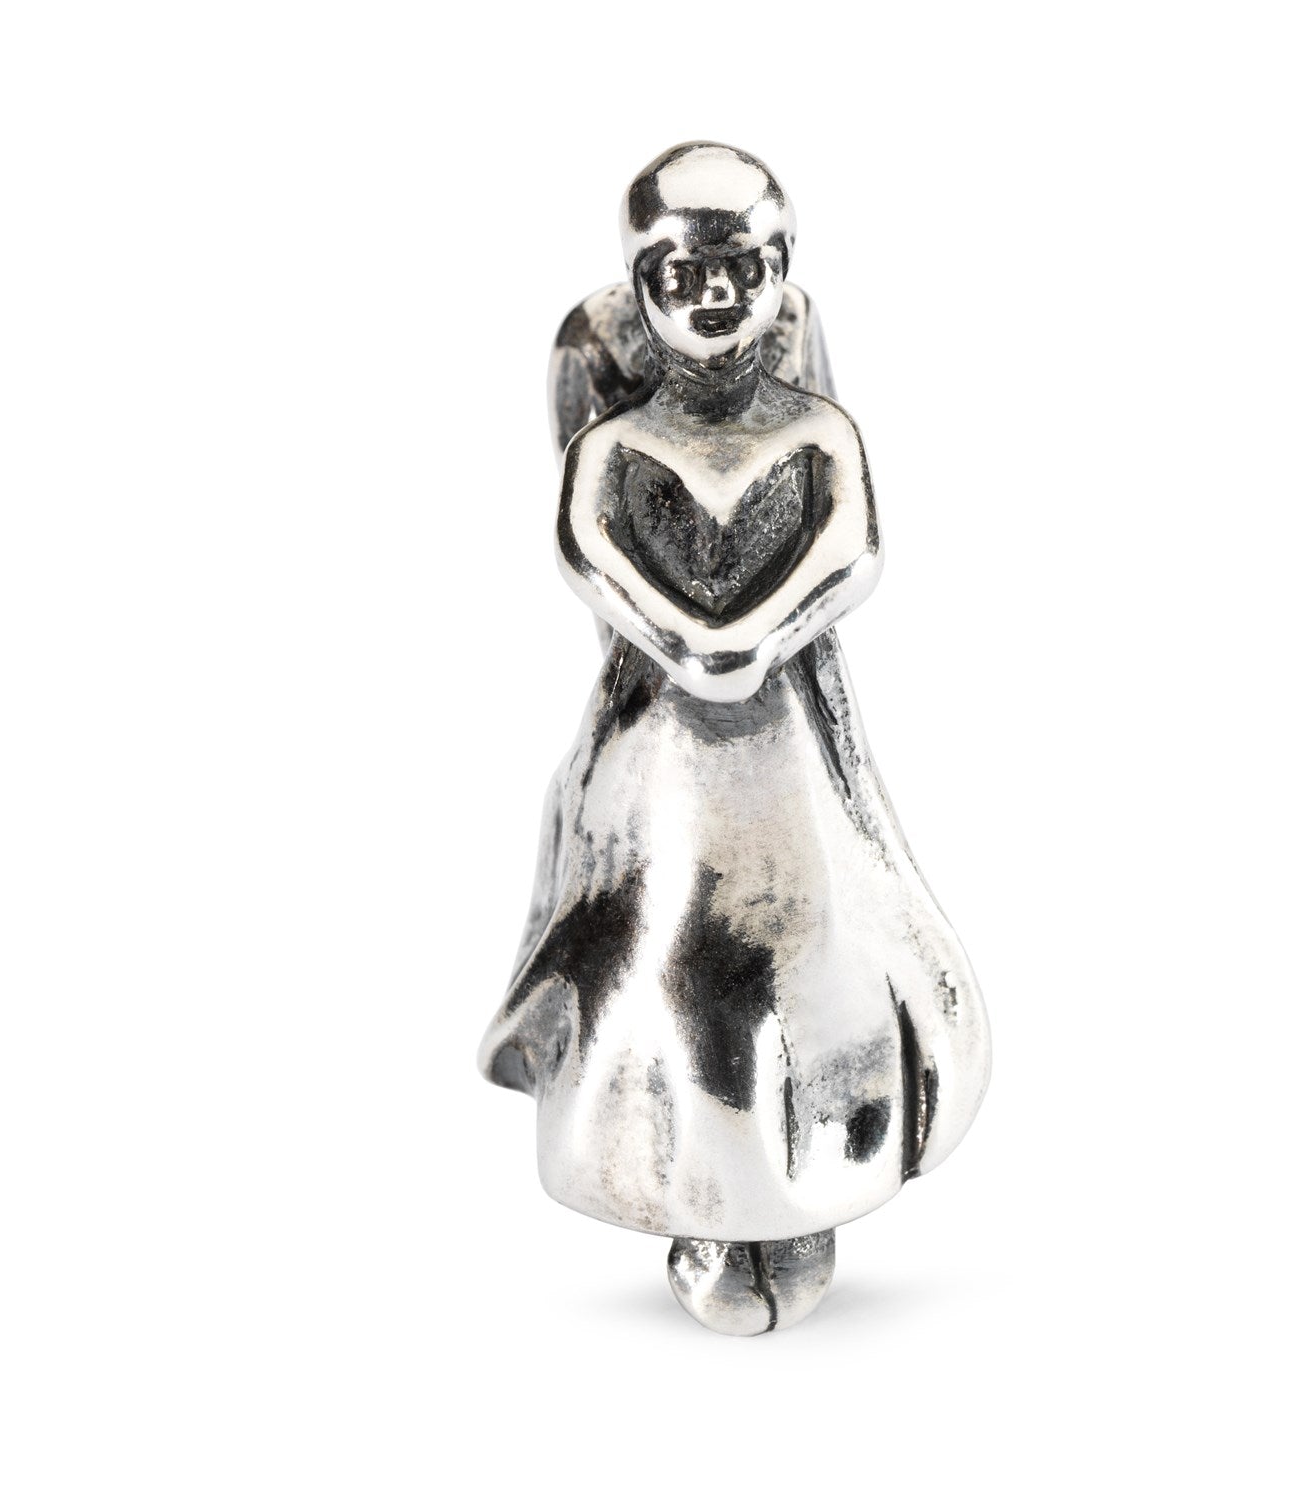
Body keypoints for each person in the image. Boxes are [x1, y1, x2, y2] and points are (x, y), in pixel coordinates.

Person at [479, 143, 991, 1334]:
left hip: (785, 758)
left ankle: (807, 1174)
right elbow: (589, 556)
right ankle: (701, 1188)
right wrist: (697, 643)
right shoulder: (614, 448)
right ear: (639, 291)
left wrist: (747, 639)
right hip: (665, 763)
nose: (714, 295)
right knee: (672, 945)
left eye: (742, 268)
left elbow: (853, 551)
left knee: (803, 947)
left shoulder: (816, 430)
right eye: (680, 274)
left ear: (782, 272)